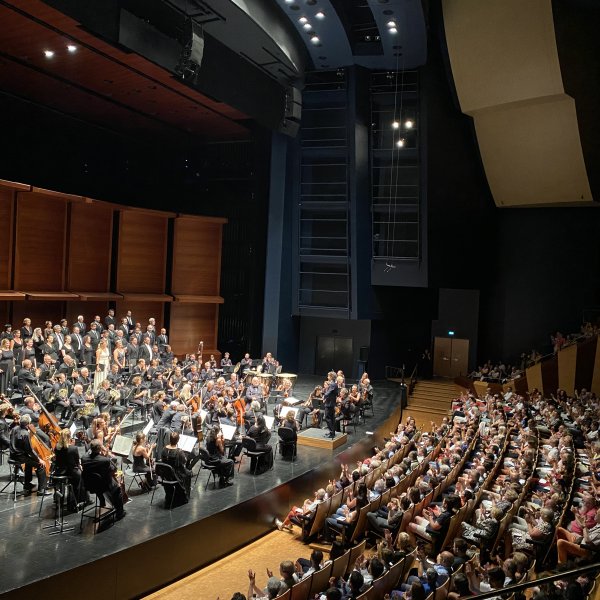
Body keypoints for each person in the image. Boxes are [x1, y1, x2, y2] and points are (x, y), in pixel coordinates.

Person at [81, 439, 126, 520]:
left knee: (96, 480)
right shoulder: (104, 460)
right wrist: (106, 457)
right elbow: (114, 470)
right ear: (99, 449)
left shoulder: (84, 458)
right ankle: (120, 513)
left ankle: (102, 501)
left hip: (89, 485)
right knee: (117, 488)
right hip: (103, 486)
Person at [9, 414, 51, 496]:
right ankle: (41, 490)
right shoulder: (25, 433)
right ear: (28, 423)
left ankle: (27, 487)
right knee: (41, 465)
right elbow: (30, 450)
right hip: (21, 457)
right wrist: (39, 459)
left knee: (29, 464)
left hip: (13, 455)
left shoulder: (14, 429)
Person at [54, 428, 88, 506]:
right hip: (70, 472)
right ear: (69, 437)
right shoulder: (73, 448)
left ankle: (62, 500)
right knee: (82, 475)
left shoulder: (56, 447)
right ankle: (79, 500)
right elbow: (77, 463)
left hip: (59, 471)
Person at [160, 431, 192, 504]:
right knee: (188, 473)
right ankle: (184, 495)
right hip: (175, 475)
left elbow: (163, 460)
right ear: (178, 440)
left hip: (166, 474)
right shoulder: (179, 452)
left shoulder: (164, 449)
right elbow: (184, 461)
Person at [323, 373, 341, 439]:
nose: (327, 377)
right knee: (331, 418)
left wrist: (324, 396)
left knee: (328, 418)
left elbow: (329, 392)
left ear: (331, 377)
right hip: (331, 403)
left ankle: (331, 433)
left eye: (328, 376)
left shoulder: (333, 384)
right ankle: (332, 432)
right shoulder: (334, 384)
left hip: (329, 404)